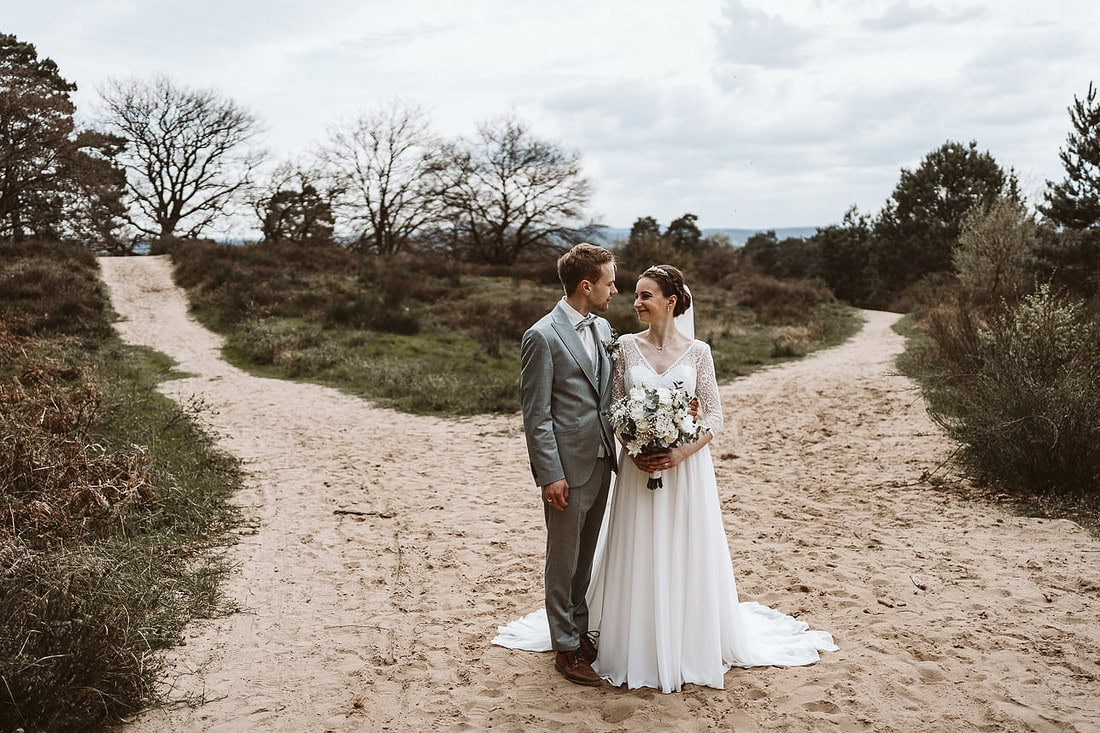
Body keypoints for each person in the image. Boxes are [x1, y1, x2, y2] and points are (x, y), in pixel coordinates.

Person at [496, 263, 837, 693]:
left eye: (643, 295)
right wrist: (634, 446)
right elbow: (609, 405)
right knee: (586, 555)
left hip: (682, 471)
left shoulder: (674, 347)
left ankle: (656, 635)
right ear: (588, 285)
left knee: (659, 552)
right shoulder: (617, 344)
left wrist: (679, 448)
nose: (630, 299)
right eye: (623, 289)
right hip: (624, 468)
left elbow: (713, 414)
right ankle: (573, 643)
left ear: (670, 301)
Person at [517, 242, 618, 687]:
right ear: (586, 285)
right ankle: (565, 647)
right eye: (609, 282)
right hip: (566, 468)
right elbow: (536, 414)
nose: (615, 290)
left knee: (586, 555)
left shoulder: (603, 328)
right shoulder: (541, 336)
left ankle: (578, 630)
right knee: (563, 558)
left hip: (601, 459)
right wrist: (550, 474)